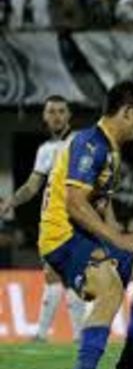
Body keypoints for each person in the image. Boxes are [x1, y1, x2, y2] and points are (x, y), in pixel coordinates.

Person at [38, 81, 133, 369]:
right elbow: (75, 203)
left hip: (86, 235)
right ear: (126, 112)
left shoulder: (110, 147)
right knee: (110, 287)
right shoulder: (91, 144)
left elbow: (101, 201)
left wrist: (117, 232)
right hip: (63, 238)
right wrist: (117, 239)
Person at [0, 95, 85, 343]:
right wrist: (11, 202)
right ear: (45, 117)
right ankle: (46, 334)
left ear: (69, 115)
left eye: (61, 111)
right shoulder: (46, 150)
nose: (56, 115)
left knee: (71, 276)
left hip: (74, 218)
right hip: (52, 219)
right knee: (53, 274)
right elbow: (32, 185)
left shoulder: (79, 143)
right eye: (51, 111)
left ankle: (64, 335)